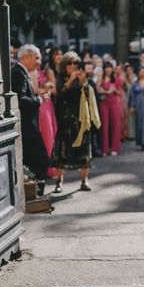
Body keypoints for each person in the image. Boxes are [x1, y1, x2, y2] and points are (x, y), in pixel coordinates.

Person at [52, 53, 100, 192]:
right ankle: (59, 181)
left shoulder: (83, 79)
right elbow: (59, 95)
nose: (72, 66)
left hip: (81, 120)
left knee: (84, 151)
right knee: (62, 151)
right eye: (69, 64)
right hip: (65, 119)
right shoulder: (61, 79)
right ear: (64, 66)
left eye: (75, 64)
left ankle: (84, 180)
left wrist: (83, 81)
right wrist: (71, 80)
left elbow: (90, 95)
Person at [11, 44, 50, 196]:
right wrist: (39, 100)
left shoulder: (21, 71)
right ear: (26, 57)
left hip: (28, 126)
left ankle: (35, 194)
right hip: (26, 127)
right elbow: (20, 100)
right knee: (41, 159)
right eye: (37, 57)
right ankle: (37, 195)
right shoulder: (18, 73)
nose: (39, 61)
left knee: (34, 162)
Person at [97, 63, 123, 156]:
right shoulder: (101, 78)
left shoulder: (116, 79)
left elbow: (120, 93)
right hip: (104, 103)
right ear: (104, 69)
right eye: (106, 68)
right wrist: (106, 91)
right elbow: (97, 89)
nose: (108, 70)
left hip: (114, 103)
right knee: (104, 126)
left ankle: (115, 148)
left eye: (110, 68)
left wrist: (114, 90)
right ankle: (105, 149)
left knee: (115, 124)